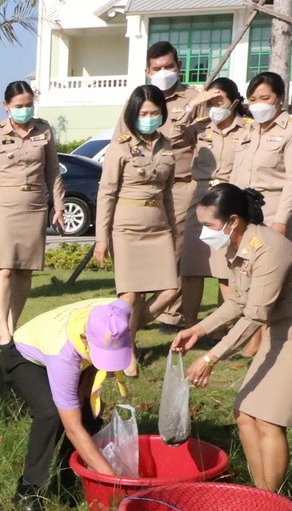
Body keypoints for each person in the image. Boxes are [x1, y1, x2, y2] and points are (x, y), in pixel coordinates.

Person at [174, 186, 292, 493]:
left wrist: (210, 358)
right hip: (283, 332)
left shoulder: (269, 250)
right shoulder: (237, 245)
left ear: (233, 220)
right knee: (244, 413)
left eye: (209, 226)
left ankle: (271, 499)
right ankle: (261, 491)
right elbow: (238, 302)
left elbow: (255, 316)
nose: (204, 233)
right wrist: (198, 330)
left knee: (268, 419)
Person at [0, 297, 138, 511]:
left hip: (70, 351)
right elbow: (72, 428)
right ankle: (28, 489)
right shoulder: (62, 355)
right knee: (51, 413)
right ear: (85, 338)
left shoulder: (116, 312)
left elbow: (125, 304)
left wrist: (86, 391)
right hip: (23, 356)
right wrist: (115, 482)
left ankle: (67, 476)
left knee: (89, 414)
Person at [122, 42, 210, 326]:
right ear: (147, 71)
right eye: (157, 68)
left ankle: (170, 314)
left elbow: (205, 143)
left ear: (179, 67)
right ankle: (136, 314)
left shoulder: (195, 99)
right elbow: (120, 142)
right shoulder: (137, 101)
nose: (163, 72)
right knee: (144, 258)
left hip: (182, 185)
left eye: (169, 67)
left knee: (175, 251)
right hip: (144, 187)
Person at [0, 79, 61, 344]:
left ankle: (14, 323)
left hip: (35, 204)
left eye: (29, 105)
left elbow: (53, 171)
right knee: (4, 268)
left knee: (25, 269)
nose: (24, 110)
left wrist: (58, 205)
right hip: (6, 204)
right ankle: (3, 329)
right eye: (18, 106)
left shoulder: (44, 130)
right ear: (6, 106)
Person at [94, 83, 181, 334]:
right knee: (130, 296)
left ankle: (116, 333)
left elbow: (167, 194)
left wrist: (174, 231)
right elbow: (107, 193)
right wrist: (102, 239)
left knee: (169, 291)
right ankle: (126, 350)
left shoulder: (166, 146)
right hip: (127, 228)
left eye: (154, 113)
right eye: (143, 114)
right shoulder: (120, 146)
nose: (149, 118)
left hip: (158, 227)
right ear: (133, 114)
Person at [188, 77, 249, 296]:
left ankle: (225, 324)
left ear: (233, 102)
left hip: (228, 200)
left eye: (220, 102)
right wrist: (194, 104)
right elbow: (174, 136)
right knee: (192, 266)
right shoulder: (200, 127)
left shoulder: (247, 129)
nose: (215, 108)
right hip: (201, 199)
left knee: (226, 268)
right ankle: (191, 324)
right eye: (211, 104)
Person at [238, 72, 292, 245]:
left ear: (280, 98)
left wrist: (281, 219)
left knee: (273, 265)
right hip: (244, 209)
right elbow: (237, 172)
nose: (258, 104)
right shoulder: (249, 130)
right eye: (253, 99)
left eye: (265, 98)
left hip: (273, 209)